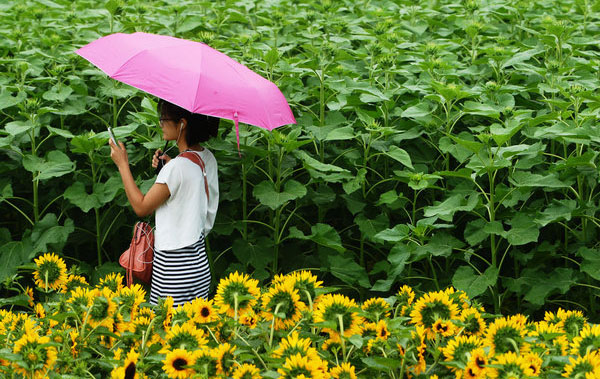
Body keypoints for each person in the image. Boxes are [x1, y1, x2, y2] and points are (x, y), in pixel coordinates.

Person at [109, 99, 219, 305]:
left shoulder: (176, 168)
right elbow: (191, 186)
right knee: (194, 328)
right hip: (198, 262)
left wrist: (122, 164)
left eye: (164, 118)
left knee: (165, 329)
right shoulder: (207, 158)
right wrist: (168, 166)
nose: (160, 123)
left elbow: (141, 207)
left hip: (173, 267)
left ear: (182, 124)